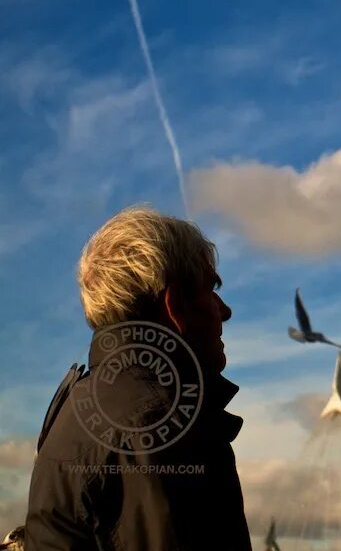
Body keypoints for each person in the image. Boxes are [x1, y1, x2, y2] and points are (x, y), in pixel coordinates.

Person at [24, 206, 252, 550]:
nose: (224, 310)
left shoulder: (78, 408)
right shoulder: (160, 426)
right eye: (210, 288)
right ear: (175, 306)